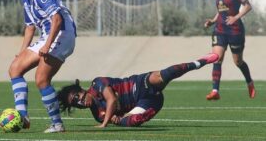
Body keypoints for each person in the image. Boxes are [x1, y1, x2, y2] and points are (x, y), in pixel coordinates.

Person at [57, 53, 219, 127]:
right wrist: (116, 119)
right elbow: (116, 116)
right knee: (127, 121)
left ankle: (200, 62)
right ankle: (142, 116)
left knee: (163, 75)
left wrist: (106, 123)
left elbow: (112, 100)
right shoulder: (97, 115)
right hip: (147, 102)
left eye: (77, 96)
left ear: (82, 89)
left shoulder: (97, 83)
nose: (80, 101)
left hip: (140, 84)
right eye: (75, 103)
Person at [9, 0, 76, 133]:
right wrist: (22, 52)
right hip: (48, 36)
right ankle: (22, 116)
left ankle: (57, 124)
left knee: (41, 79)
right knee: (15, 67)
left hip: (63, 35)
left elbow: (57, 19)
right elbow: (30, 27)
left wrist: (46, 45)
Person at [204, 0, 255, 100]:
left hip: (235, 31)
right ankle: (215, 91)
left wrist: (236, 17)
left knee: (238, 62)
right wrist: (212, 21)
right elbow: (220, 11)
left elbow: (248, 6)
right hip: (220, 30)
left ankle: (249, 82)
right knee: (216, 58)